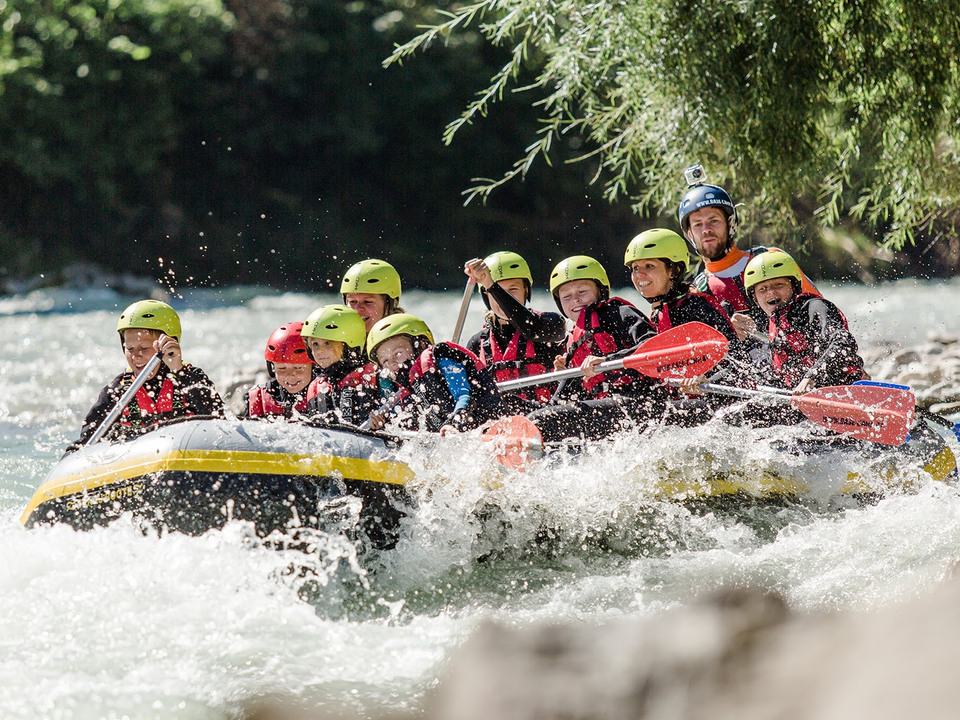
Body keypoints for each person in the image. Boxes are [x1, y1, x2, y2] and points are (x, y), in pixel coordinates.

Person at [525, 255, 667, 443]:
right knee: (536, 416)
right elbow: (560, 399)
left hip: (639, 403)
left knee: (541, 421)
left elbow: (654, 345)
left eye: (582, 291)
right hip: (610, 411)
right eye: (567, 296)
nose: (575, 300)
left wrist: (607, 361)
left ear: (600, 291)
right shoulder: (574, 340)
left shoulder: (616, 313)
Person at [678, 165, 820, 340]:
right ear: (690, 235)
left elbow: (818, 308)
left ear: (730, 224)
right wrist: (723, 330)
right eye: (698, 224)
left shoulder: (772, 258)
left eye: (713, 221)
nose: (706, 230)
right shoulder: (696, 293)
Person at [66, 300, 224, 452]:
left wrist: (179, 371)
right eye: (130, 348)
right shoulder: (117, 392)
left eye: (144, 347)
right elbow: (84, 446)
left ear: (169, 343)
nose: (136, 355)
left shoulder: (191, 379)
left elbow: (221, 423)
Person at [743, 251, 865, 394]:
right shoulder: (773, 324)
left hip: (841, 391)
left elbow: (844, 341)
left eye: (778, 285)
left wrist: (812, 375)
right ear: (755, 298)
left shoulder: (814, 307)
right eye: (762, 289)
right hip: (802, 398)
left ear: (793, 287)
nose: (771, 293)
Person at [366, 313, 504, 435]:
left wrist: (454, 423)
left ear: (419, 344)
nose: (392, 363)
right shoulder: (407, 389)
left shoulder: (441, 361)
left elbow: (464, 395)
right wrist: (383, 426)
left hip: (488, 427)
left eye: (398, 353)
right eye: (385, 361)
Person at [463, 251, 566, 412]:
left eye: (513, 289)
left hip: (546, 416)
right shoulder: (477, 343)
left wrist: (491, 285)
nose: (505, 299)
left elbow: (531, 329)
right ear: (485, 295)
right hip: (500, 423)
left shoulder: (552, 324)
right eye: (498, 291)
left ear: (526, 291)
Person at [300, 304, 379, 426]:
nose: (320, 351)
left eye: (327, 343)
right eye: (315, 344)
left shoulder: (372, 374)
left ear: (349, 344)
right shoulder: (316, 386)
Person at [241, 322, 316, 419]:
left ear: (314, 367)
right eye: (282, 368)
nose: (290, 375)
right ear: (272, 368)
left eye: (298, 368)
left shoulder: (324, 396)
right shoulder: (258, 398)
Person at [340, 259, 403, 333]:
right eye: (353, 301)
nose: (357, 309)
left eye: (367, 302)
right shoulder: (335, 339)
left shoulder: (404, 341)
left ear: (388, 306)